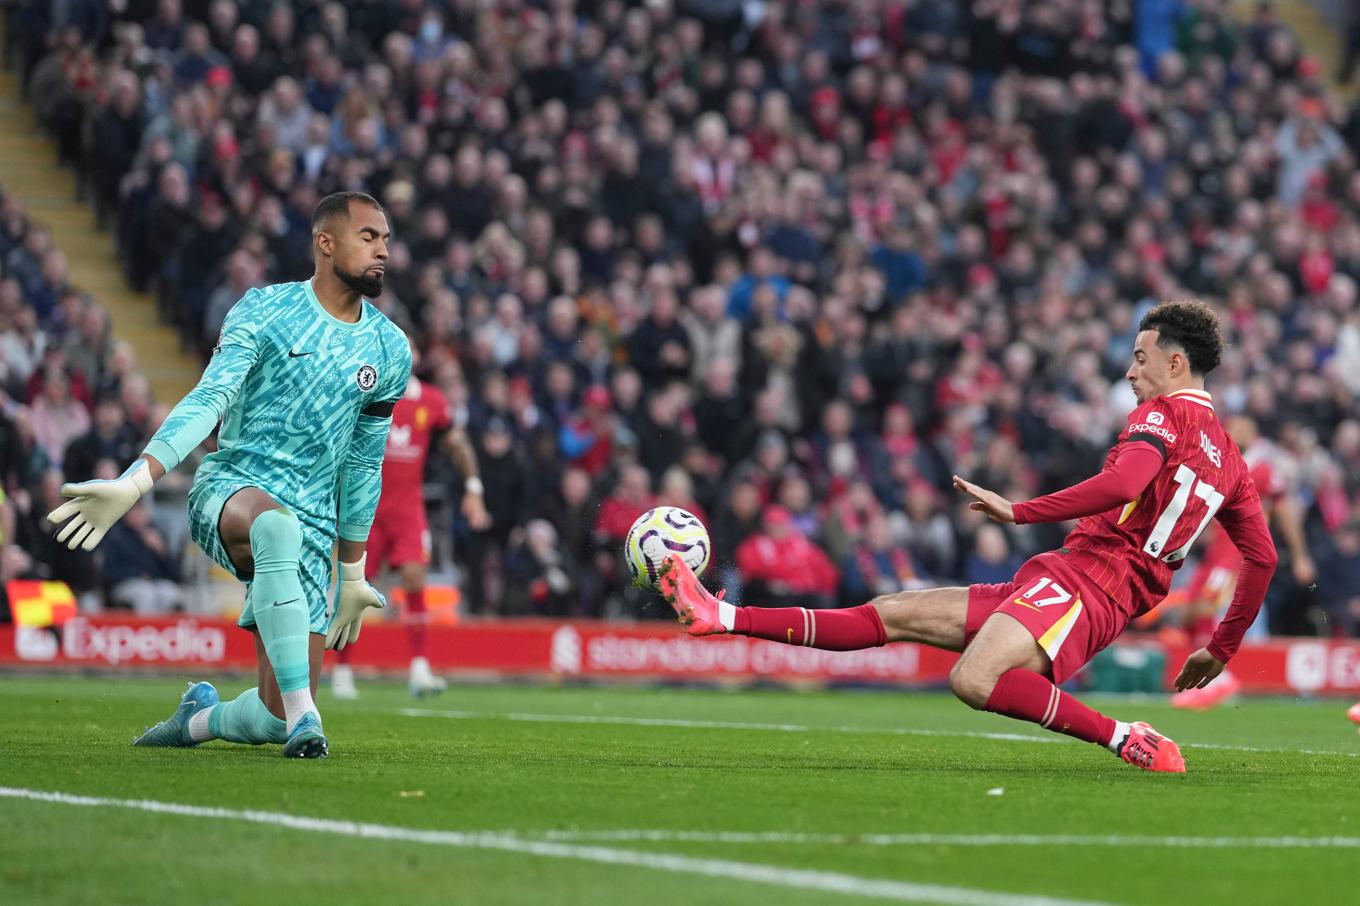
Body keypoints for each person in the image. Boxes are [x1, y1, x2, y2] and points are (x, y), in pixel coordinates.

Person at [660, 301, 1278, 774]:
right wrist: (1220, 650)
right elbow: (1263, 558)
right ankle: (720, 614)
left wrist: (1020, 511)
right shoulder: (1230, 459)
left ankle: (1124, 738)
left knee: (972, 680)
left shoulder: (1159, 415)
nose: (1130, 370)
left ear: (1176, 363)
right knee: (892, 613)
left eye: (1140, 358)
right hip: (1074, 580)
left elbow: (1123, 484)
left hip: (1089, 584)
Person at [49, 192, 411, 759]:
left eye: (386, 240)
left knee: (269, 714)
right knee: (275, 529)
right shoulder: (264, 310)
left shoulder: (389, 348)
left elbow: (364, 462)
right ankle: (308, 719)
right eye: (369, 237)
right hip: (231, 491)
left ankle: (201, 719)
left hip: (315, 524)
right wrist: (136, 481)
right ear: (325, 242)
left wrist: (354, 572)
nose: (383, 251)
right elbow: (210, 397)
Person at [330, 341, 490, 700]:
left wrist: (474, 488)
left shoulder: (430, 400)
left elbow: (458, 445)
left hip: (407, 507)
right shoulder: (367, 391)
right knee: (354, 587)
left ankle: (419, 668)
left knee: (415, 578)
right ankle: (341, 672)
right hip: (364, 507)